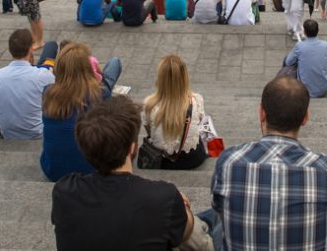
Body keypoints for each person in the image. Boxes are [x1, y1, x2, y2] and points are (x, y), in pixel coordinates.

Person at [51, 95, 214, 251]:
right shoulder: (164, 198)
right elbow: (199, 245)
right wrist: (182, 207)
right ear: (132, 148)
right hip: (173, 214)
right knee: (216, 217)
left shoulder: (64, 191)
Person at [210, 77, 327, 250]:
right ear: (305, 118)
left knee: (218, 223)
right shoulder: (324, 169)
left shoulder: (228, 161)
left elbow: (217, 206)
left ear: (262, 113)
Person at [40, 42, 106, 181]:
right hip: (93, 169)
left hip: (53, 171)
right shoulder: (100, 94)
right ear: (87, 68)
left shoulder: (48, 92)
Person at [0, 29, 54, 140]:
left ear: (10, 50)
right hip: (38, 134)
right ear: (31, 49)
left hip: (8, 134)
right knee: (52, 46)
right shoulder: (45, 76)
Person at [142, 54, 208, 169]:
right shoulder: (196, 100)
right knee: (204, 133)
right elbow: (200, 122)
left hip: (160, 160)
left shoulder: (149, 104)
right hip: (191, 159)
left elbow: (149, 133)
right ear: (184, 78)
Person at [282, 20, 327, 98]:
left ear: (304, 32)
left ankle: (285, 83)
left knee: (288, 58)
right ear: (318, 30)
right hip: (324, 89)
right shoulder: (326, 45)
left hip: (303, 89)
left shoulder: (299, 46)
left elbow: (288, 62)